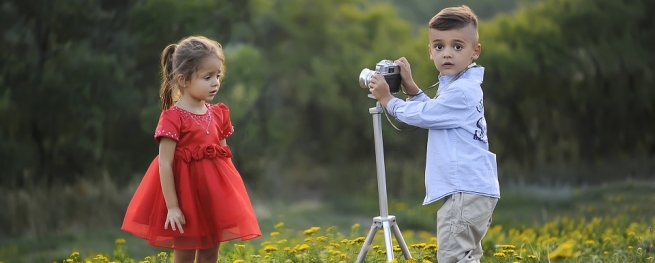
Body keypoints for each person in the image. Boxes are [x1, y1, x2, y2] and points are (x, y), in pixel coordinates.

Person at [367, 5, 500, 263]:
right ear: (430, 51)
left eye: (457, 47)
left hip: (465, 190)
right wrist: (412, 88)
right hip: (472, 189)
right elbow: (435, 112)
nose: (447, 54)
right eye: (439, 47)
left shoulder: (461, 92)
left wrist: (386, 99)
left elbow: (422, 116)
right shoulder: (460, 86)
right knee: (466, 258)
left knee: (452, 257)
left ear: (476, 51)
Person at [122, 35, 261, 263]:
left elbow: (224, 158)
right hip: (185, 199)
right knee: (185, 255)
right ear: (183, 80)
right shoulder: (173, 117)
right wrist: (173, 207)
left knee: (209, 253)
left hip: (211, 197)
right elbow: (164, 163)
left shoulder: (219, 113)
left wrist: (228, 198)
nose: (215, 82)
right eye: (207, 77)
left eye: (218, 75)